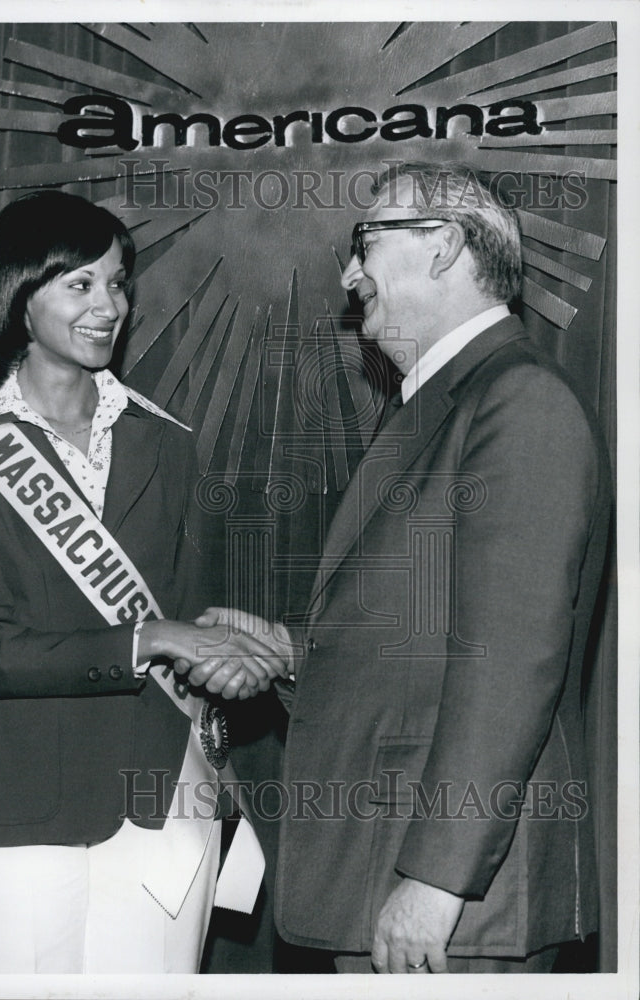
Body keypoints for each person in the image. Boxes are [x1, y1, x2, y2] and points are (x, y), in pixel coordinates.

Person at [184, 161, 612, 973]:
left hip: (448, 906)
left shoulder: (516, 401)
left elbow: (510, 666)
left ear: (444, 246)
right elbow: (423, 639)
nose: (349, 276)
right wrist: (283, 647)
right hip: (386, 876)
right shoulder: (440, 402)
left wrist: (435, 882)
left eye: (366, 241)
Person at [0, 190, 286, 974]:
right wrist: (147, 638)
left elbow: (192, 623)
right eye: (79, 284)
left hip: (163, 796)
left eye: (117, 283)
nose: (108, 305)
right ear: (17, 298)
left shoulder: (169, 444)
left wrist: (232, 659)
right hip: (17, 803)